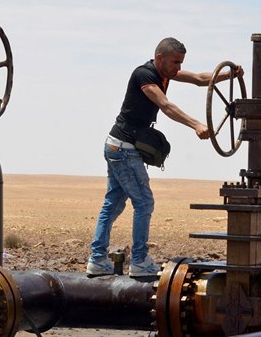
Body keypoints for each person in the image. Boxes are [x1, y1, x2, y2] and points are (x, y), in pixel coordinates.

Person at [87, 37, 243, 277]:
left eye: (180, 63)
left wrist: (228, 76)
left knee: (114, 203)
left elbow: (202, 80)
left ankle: (97, 259)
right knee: (144, 202)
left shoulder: (164, 74)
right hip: (123, 148)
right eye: (175, 63)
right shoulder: (144, 75)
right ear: (160, 58)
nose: (178, 68)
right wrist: (196, 125)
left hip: (117, 145)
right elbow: (166, 106)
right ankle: (138, 261)